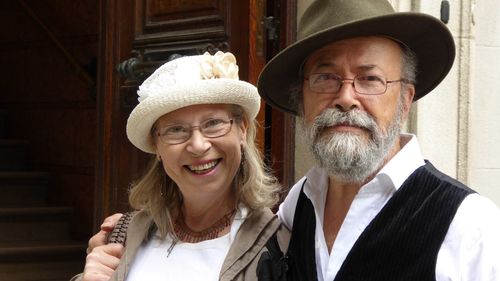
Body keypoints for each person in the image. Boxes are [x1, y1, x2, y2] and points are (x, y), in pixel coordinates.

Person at [256, 0, 500, 280]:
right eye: (326, 77)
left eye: (370, 78)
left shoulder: (471, 227)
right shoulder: (297, 204)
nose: (346, 99)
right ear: (302, 99)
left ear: (405, 101)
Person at [71, 51, 289, 281]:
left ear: (242, 129)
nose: (198, 145)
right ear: (157, 147)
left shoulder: (279, 247)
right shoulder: (125, 234)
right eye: (176, 130)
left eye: (213, 123)